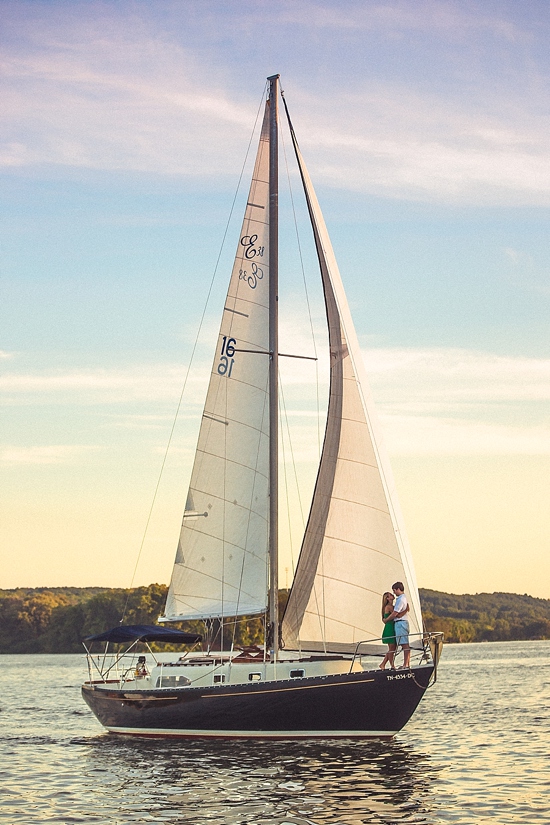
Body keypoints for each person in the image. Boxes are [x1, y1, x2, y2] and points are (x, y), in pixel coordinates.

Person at [390, 581, 411, 668]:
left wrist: (386, 619)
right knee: (404, 644)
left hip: (400, 623)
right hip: (401, 623)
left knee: (404, 644)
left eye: (394, 590)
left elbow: (396, 613)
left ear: (398, 589)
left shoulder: (401, 599)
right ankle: (407, 664)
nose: (394, 592)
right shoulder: (403, 598)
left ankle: (406, 664)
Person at [379, 591, 397, 670]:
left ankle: (383, 664)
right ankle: (392, 666)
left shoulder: (390, 606)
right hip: (390, 629)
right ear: (388, 598)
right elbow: (396, 614)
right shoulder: (389, 607)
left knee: (392, 648)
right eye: (390, 595)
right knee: (392, 648)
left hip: (391, 628)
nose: (392, 595)